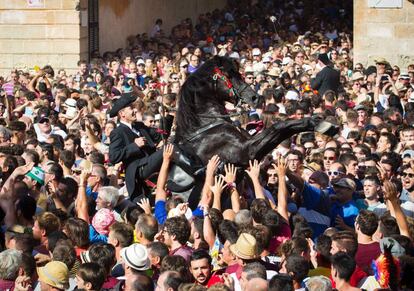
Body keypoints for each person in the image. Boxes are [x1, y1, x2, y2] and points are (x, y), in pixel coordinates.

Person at [108, 92, 163, 200]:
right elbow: (113, 156)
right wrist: (134, 146)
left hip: (150, 164)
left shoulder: (139, 126)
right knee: (167, 150)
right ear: (122, 113)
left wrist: (167, 117)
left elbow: (159, 134)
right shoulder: (118, 132)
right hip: (138, 171)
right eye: (131, 108)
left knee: (171, 146)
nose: (135, 110)